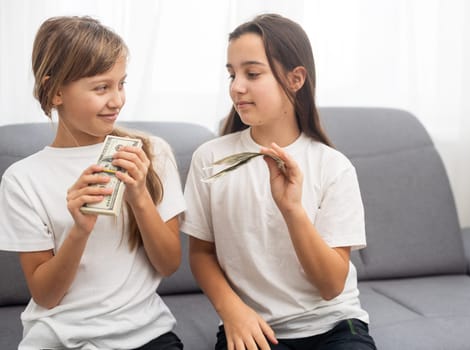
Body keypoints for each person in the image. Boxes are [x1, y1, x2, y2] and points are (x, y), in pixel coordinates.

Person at [182, 13, 377, 350]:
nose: (236, 87)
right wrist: (232, 311)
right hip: (251, 327)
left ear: (295, 78)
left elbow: (331, 286)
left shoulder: (333, 167)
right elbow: (201, 254)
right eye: (232, 74)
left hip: (334, 326)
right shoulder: (210, 159)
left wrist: (292, 210)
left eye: (252, 73)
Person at [0, 16, 185, 349]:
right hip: (60, 339)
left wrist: (140, 196)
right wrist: (79, 230)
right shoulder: (22, 179)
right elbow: (46, 295)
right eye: (102, 87)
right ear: (56, 91)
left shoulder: (152, 154)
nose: (117, 100)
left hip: (148, 335)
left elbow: (169, 264)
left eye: (121, 84)